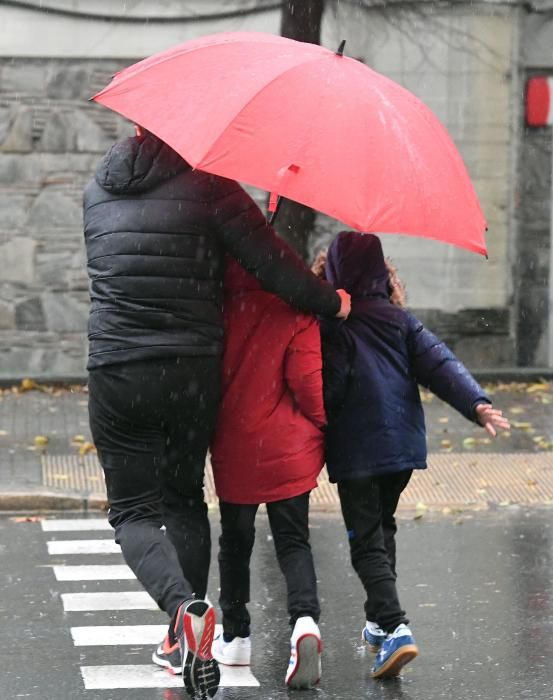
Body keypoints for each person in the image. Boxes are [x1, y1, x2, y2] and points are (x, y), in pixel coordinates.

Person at [83, 128, 350, 700]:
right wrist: (333, 301)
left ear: (135, 131)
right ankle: (186, 631)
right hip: (189, 369)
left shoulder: (96, 191)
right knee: (182, 497)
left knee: (131, 511)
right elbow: (273, 267)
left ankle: (182, 614)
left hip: (116, 367)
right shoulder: (210, 187)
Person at [318, 232, 510, 680]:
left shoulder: (334, 327)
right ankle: (376, 622)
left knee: (365, 542)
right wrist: (476, 404)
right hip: (401, 449)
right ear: (384, 273)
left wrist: (317, 425)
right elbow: (439, 363)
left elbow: (328, 388)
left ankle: (395, 627)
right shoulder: (399, 321)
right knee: (382, 529)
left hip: (357, 449)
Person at [209, 258, 326, 689]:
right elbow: (308, 383)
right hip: (287, 447)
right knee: (294, 541)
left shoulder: (219, 309)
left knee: (235, 544)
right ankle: (304, 622)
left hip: (235, 445)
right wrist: (319, 424)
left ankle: (237, 635)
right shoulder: (297, 311)